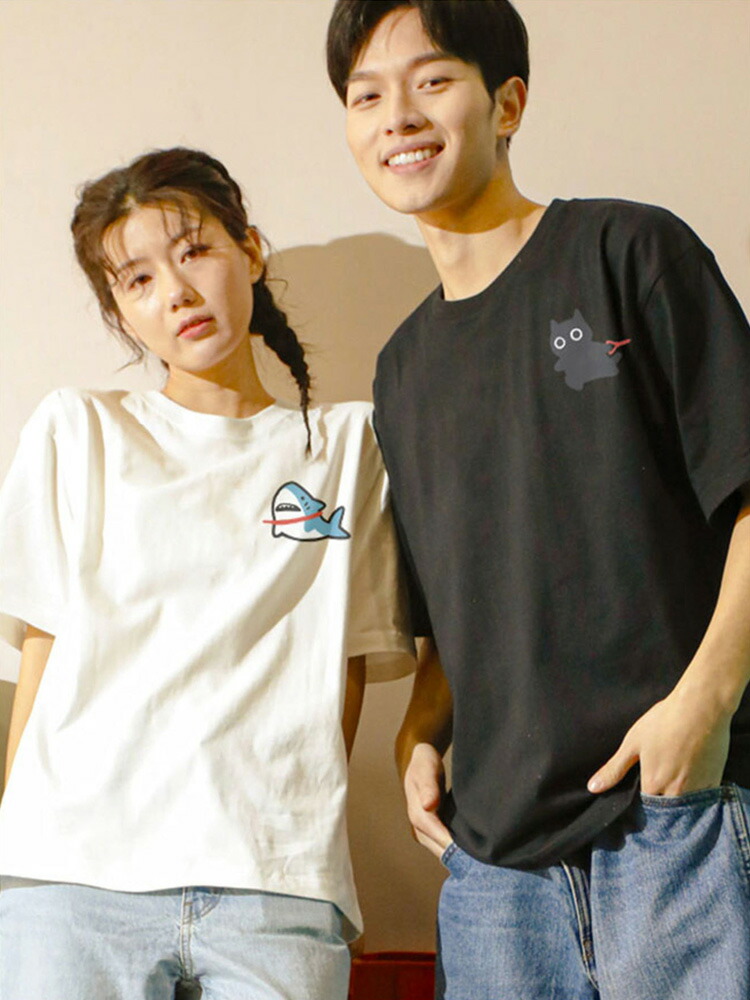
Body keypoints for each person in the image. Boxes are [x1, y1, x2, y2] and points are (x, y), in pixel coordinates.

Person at [326, 2, 750, 998]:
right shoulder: (401, 371)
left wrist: (703, 705)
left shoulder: (629, 251)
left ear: (507, 103)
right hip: (494, 870)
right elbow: (454, 613)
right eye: (367, 96)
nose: (399, 116)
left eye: (433, 81)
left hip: (669, 817)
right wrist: (418, 733)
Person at [0, 146, 413, 999]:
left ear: (250, 251)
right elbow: (42, 648)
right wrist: (14, 845)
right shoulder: (79, 430)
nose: (177, 292)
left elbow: (341, 669)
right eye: (137, 280)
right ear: (119, 310)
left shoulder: (348, 446)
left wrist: (297, 849)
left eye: (194, 252)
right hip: (74, 878)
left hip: (274, 887)